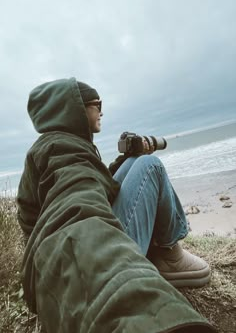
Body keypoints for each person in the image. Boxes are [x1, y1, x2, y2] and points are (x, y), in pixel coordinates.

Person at [17, 77, 215, 333]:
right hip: (78, 256)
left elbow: (84, 187)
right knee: (149, 166)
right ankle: (169, 256)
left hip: (45, 264)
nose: (102, 110)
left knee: (135, 163)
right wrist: (121, 294)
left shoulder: (55, 146)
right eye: (97, 103)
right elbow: (78, 210)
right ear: (75, 108)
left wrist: (119, 165)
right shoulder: (63, 149)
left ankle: (161, 250)